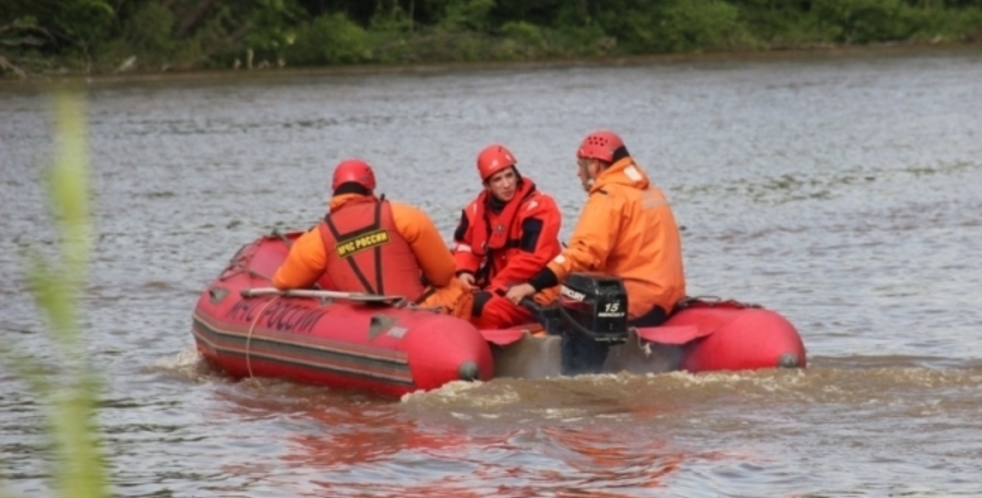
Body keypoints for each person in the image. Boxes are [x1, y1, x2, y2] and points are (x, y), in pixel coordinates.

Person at [505, 130, 686, 328]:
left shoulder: (608, 197)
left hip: (637, 303)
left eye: (580, 166)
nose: (577, 173)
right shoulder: (653, 193)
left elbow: (583, 254)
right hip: (668, 298)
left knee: (548, 296)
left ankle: (551, 347)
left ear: (595, 165)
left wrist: (532, 285)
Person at [272, 158, 471, 318]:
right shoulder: (404, 215)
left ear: (335, 191)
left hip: (359, 323)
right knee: (456, 287)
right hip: (415, 313)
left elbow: (285, 282)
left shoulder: (317, 237)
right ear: (371, 188)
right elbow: (443, 273)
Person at [452, 144, 563, 329]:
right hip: (497, 287)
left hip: (534, 291)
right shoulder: (474, 211)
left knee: (481, 306)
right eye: (498, 179)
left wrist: (494, 287)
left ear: (517, 175)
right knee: (446, 292)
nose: (506, 184)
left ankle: (481, 347)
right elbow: (464, 245)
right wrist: (464, 272)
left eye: (509, 175)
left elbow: (532, 259)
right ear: (487, 185)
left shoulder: (540, 208)